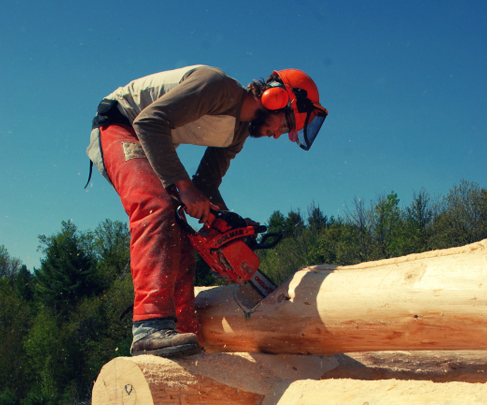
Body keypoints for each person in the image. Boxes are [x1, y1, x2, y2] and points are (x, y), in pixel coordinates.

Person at [86, 65, 328, 357]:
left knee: (181, 232)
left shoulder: (236, 136)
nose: (278, 135)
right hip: (120, 125)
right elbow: (149, 123)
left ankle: (184, 336)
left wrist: (228, 224)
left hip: (149, 139)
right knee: (157, 208)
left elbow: (205, 185)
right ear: (277, 98)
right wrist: (185, 188)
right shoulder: (216, 87)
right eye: (286, 126)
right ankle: (149, 328)